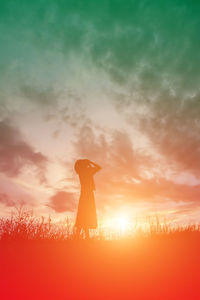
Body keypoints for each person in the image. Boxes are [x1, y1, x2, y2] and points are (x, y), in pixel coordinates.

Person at [74, 159, 101, 239]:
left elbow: (99, 168)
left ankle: (81, 236)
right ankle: (82, 236)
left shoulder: (81, 172)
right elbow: (99, 167)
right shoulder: (87, 172)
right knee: (85, 214)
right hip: (88, 194)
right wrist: (90, 162)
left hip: (84, 194)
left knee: (83, 214)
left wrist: (88, 163)